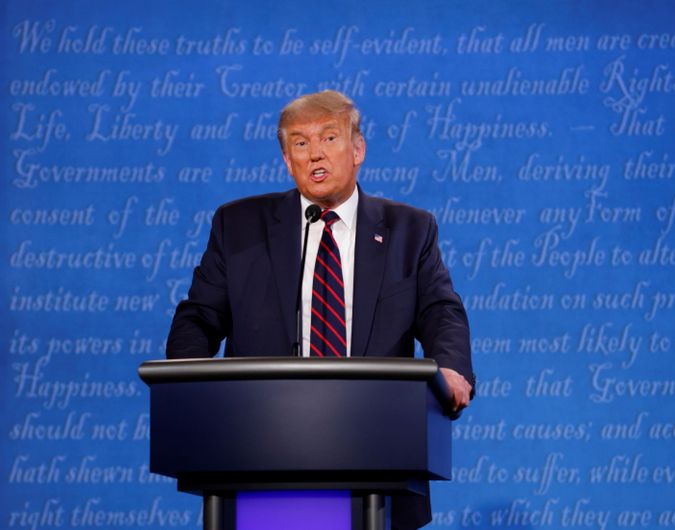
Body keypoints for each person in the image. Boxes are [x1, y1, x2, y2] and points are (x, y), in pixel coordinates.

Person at [166, 89, 474, 529]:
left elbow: (441, 310)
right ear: (287, 161)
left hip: (379, 454)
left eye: (329, 138)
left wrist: (451, 368)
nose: (315, 154)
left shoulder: (410, 230)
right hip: (258, 452)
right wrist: (186, 387)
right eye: (300, 143)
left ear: (358, 149)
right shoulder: (238, 226)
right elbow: (199, 316)